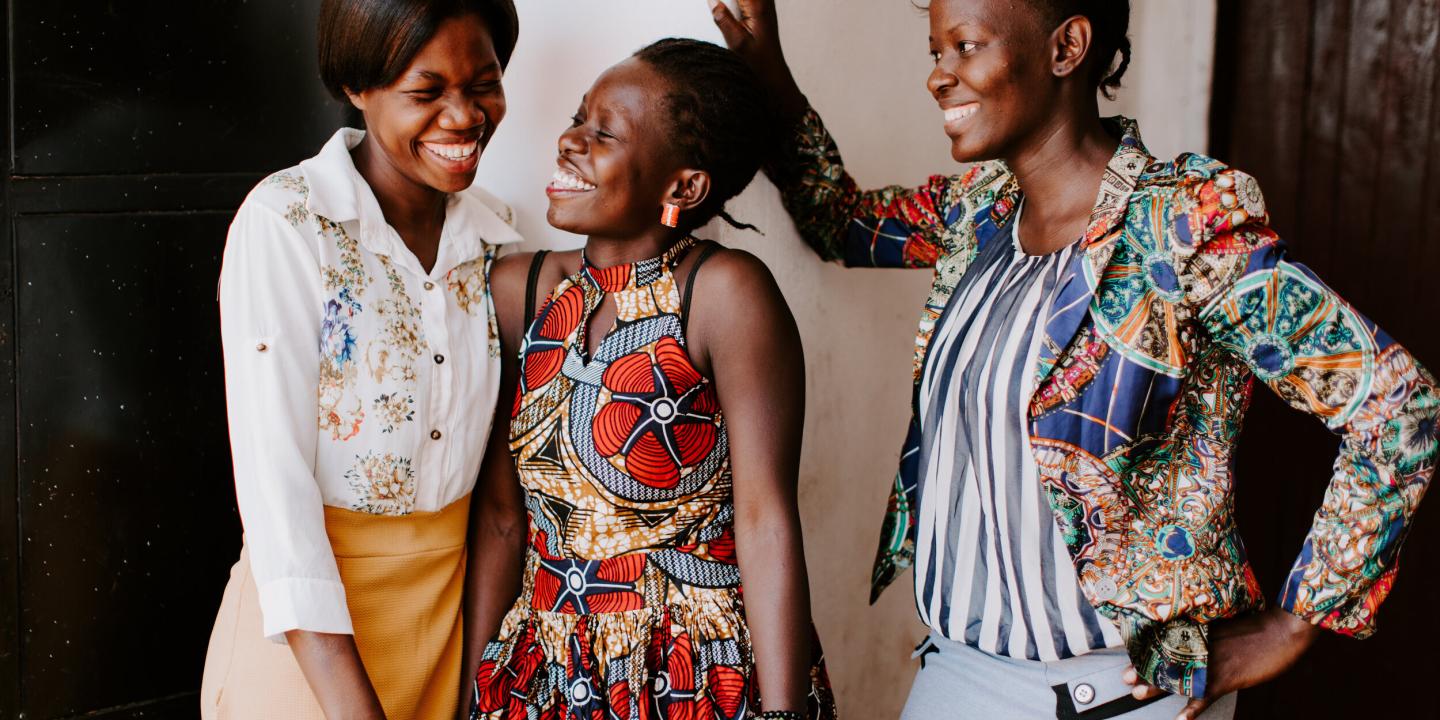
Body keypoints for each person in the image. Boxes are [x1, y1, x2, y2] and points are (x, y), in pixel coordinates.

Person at [709, 0, 1439, 718]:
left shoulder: (1180, 223)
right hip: (959, 671)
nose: (938, 76)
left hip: (1123, 695)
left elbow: (1398, 404)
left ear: (1067, 48)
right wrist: (771, 79)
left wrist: (1296, 621)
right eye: (936, 53)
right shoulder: (977, 211)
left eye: (965, 46)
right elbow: (838, 219)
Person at [462, 38, 837, 720]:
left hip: (693, 670)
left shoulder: (724, 294)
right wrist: (475, 692)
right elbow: (498, 520)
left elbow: (765, 519)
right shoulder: (521, 292)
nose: (570, 140)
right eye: (578, 118)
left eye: (603, 132)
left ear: (683, 186)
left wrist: (784, 713)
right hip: (549, 667)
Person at [199, 1, 521, 717]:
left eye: (484, 82)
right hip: (306, 648)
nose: (466, 116)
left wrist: (480, 684)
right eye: (426, 91)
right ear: (357, 85)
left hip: (445, 633)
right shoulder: (287, 221)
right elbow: (275, 493)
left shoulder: (500, 238)